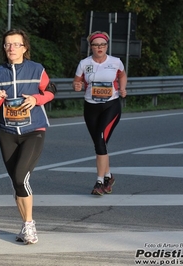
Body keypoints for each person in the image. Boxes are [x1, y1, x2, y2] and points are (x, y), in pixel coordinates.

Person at [0, 29, 55, 244]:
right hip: (7, 133)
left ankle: (30, 225)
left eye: (16, 44)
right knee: (17, 182)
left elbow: (51, 91)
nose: (11, 48)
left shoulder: (36, 69)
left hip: (33, 131)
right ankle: (25, 226)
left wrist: (36, 99)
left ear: (25, 47)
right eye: (7, 44)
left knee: (19, 177)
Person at [72, 31, 127, 196]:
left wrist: (123, 87)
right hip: (91, 106)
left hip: (111, 105)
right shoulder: (84, 64)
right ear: (91, 47)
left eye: (103, 45)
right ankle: (109, 176)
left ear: (107, 46)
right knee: (99, 143)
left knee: (101, 139)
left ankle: (99, 181)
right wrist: (77, 85)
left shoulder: (116, 62)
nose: (100, 48)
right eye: (96, 45)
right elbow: (77, 80)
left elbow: (122, 76)